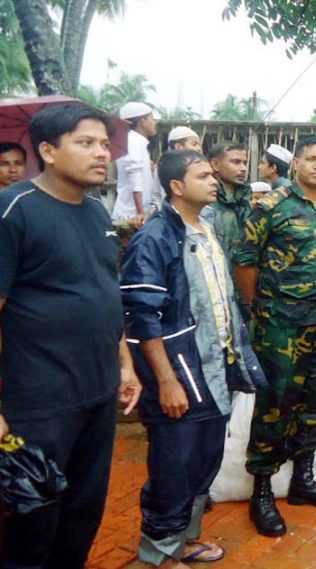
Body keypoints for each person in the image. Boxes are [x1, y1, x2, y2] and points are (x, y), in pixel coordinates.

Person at [0, 103, 141, 567]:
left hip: (97, 395)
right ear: (48, 151)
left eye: (103, 143)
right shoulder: (14, 209)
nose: (101, 153)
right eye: (85, 142)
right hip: (39, 403)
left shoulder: (97, 214)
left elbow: (106, 294)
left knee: (82, 513)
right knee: (30, 521)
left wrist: (124, 365)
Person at [121, 150, 262, 567]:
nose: (213, 180)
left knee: (203, 459)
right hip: (180, 371)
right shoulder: (155, 237)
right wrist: (165, 381)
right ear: (177, 187)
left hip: (215, 365)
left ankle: (183, 540)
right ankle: (160, 555)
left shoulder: (208, 226)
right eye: (202, 175)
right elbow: (141, 316)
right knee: (173, 464)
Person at [235, 135, 316, 537]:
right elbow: (244, 261)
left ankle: (303, 480)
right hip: (279, 326)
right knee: (274, 404)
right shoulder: (271, 207)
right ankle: (261, 491)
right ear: (296, 163)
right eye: (311, 159)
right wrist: (259, 309)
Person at [112, 101, 159, 227]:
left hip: (137, 214)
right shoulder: (133, 141)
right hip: (132, 216)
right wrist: (140, 212)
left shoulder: (136, 141)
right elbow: (135, 175)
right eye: (152, 119)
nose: (155, 123)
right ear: (142, 121)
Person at [205, 142, 251, 260]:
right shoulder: (205, 202)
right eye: (235, 162)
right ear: (215, 164)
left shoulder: (245, 200)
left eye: (245, 163)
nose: (243, 168)